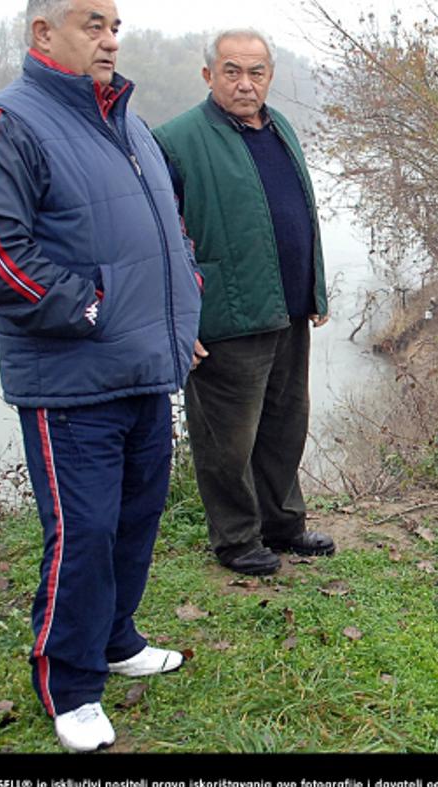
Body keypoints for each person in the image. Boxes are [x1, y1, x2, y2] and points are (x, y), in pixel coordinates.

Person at [0, 0, 203, 751]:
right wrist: (93, 309)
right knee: (83, 532)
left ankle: (117, 640)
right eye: (94, 23)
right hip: (72, 379)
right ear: (43, 32)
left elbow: (167, 228)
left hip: (142, 368)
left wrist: (176, 311)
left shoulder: (125, 121)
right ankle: (70, 685)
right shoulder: (5, 122)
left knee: (136, 517)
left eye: (116, 26)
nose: (112, 39)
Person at [153, 29, 334, 578]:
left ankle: (283, 525)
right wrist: (178, 320)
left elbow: (301, 211)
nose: (245, 83)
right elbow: (158, 239)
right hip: (224, 317)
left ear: (270, 76)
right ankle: (235, 540)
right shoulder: (176, 140)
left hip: (287, 308)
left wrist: (315, 287)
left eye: (256, 72)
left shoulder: (281, 129)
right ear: (209, 75)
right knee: (226, 440)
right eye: (232, 70)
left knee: (285, 424)